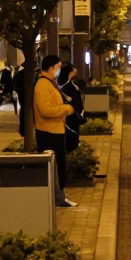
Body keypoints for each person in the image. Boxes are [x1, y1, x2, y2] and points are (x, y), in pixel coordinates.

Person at [34, 54, 77, 208]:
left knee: (58, 165)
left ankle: (59, 196)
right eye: (58, 67)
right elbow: (46, 110)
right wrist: (66, 109)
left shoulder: (50, 82)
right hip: (48, 132)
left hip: (55, 130)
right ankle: (57, 198)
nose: (60, 70)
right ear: (51, 68)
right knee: (54, 166)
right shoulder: (43, 85)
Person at [58, 62, 84, 153]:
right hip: (71, 116)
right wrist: (79, 113)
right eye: (74, 70)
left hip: (68, 116)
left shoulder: (62, 85)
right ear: (70, 72)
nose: (76, 72)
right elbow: (76, 104)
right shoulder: (69, 87)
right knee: (72, 139)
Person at [13, 63, 26, 136]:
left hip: (21, 96)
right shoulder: (31, 74)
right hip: (27, 97)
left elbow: (16, 86)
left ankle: (22, 130)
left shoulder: (18, 74)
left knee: (23, 111)